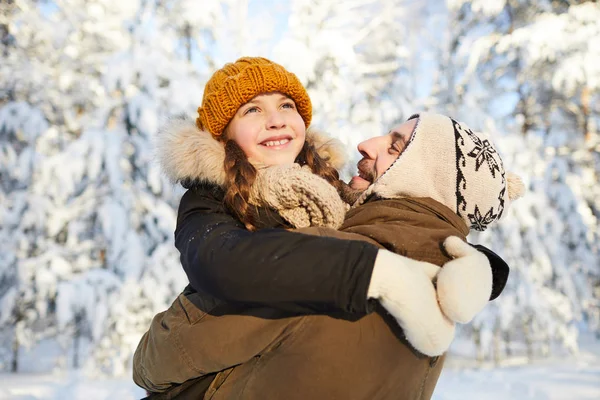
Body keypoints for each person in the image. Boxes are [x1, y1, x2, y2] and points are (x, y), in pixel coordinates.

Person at [133, 57, 515, 399]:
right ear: (223, 135)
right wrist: (374, 273)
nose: (277, 118)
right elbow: (220, 261)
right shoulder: (209, 196)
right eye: (252, 110)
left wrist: (481, 267)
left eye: (286, 105)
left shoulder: (328, 187)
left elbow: (401, 231)